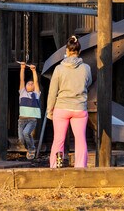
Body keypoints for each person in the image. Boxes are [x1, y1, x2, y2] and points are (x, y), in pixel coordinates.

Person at [46, 35, 92, 168]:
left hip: (62, 108)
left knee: (59, 139)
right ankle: (80, 167)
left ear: (66, 51)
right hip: (79, 108)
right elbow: (87, 84)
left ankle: (55, 166)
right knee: (80, 139)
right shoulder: (86, 68)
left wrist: (50, 110)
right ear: (79, 51)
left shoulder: (59, 69)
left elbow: (52, 92)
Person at [17, 61, 41, 159]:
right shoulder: (22, 92)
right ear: (25, 86)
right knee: (21, 138)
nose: (31, 84)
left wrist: (34, 71)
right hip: (21, 119)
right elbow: (22, 80)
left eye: (32, 84)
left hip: (32, 119)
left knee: (26, 133)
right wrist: (22, 68)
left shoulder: (36, 94)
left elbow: (36, 81)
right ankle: (29, 147)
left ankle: (31, 149)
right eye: (28, 83)